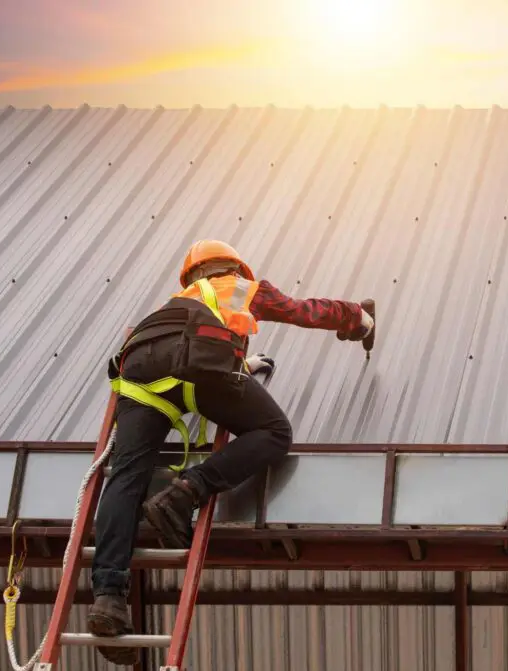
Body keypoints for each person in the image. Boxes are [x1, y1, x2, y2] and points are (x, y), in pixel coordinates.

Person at [86, 239, 374, 665]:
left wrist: (244, 364)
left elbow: (184, 345)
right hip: (196, 372)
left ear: (190, 276)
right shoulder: (239, 287)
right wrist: (358, 318)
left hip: (141, 374)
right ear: (235, 268)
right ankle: (187, 492)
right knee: (275, 432)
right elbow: (303, 310)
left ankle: (108, 599)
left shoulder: (173, 303)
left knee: (126, 476)